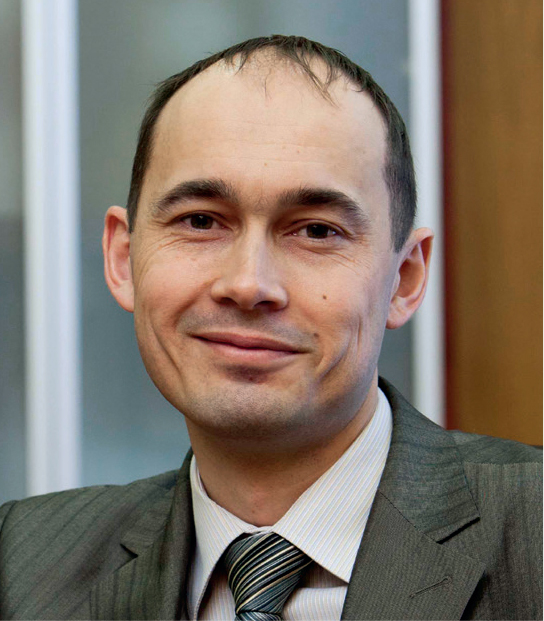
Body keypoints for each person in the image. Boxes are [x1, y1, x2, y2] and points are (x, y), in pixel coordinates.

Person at [0, 35, 541, 621]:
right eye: (200, 221)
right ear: (123, 258)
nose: (248, 284)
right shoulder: (21, 565)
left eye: (316, 231)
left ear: (404, 279)